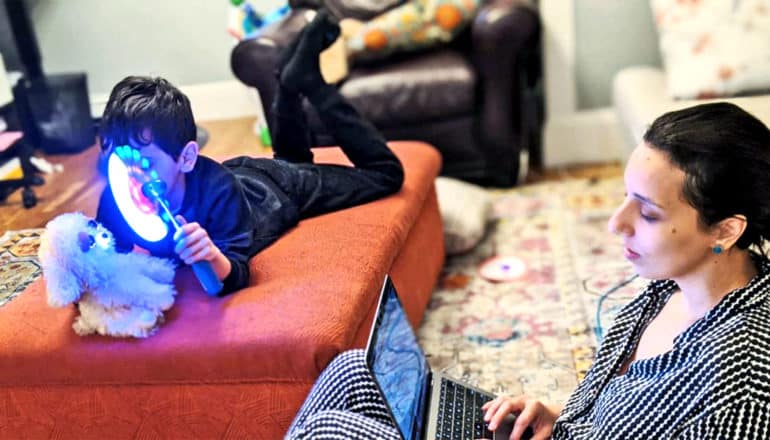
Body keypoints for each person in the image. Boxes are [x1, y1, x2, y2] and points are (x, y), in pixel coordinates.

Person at [286, 101, 770, 439]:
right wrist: (556, 418)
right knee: (350, 370)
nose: (615, 223)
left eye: (647, 213)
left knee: (337, 429)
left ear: (725, 230)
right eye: (625, 197)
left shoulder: (740, 382)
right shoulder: (668, 285)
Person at [95, 10, 404, 296]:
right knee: (291, 157)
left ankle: (311, 83)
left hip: (276, 190)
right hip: (242, 180)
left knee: (385, 174)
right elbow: (107, 259)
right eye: (120, 158)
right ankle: (288, 80)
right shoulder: (117, 197)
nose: (132, 174)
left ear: (186, 158)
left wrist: (211, 255)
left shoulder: (217, 194)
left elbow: (234, 275)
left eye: (145, 161)